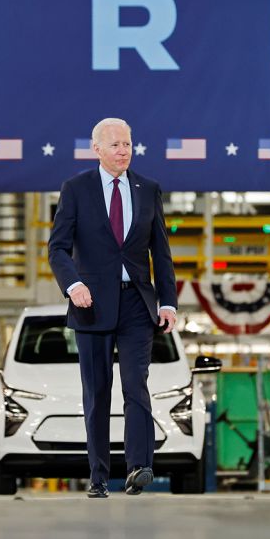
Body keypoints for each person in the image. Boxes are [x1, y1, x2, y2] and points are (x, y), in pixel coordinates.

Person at [48, 118, 178, 498]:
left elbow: (161, 253)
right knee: (97, 393)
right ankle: (99, 476)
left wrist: (167, 301)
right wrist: (73, 285)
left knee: (136, 385)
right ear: (97, 149)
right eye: (116, 145)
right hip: (91, 304)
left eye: (128, 144)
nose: (124, 151)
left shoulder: (148, 189)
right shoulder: (76, 189)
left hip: (138, 303)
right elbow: (57, 247)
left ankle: (139, 467)